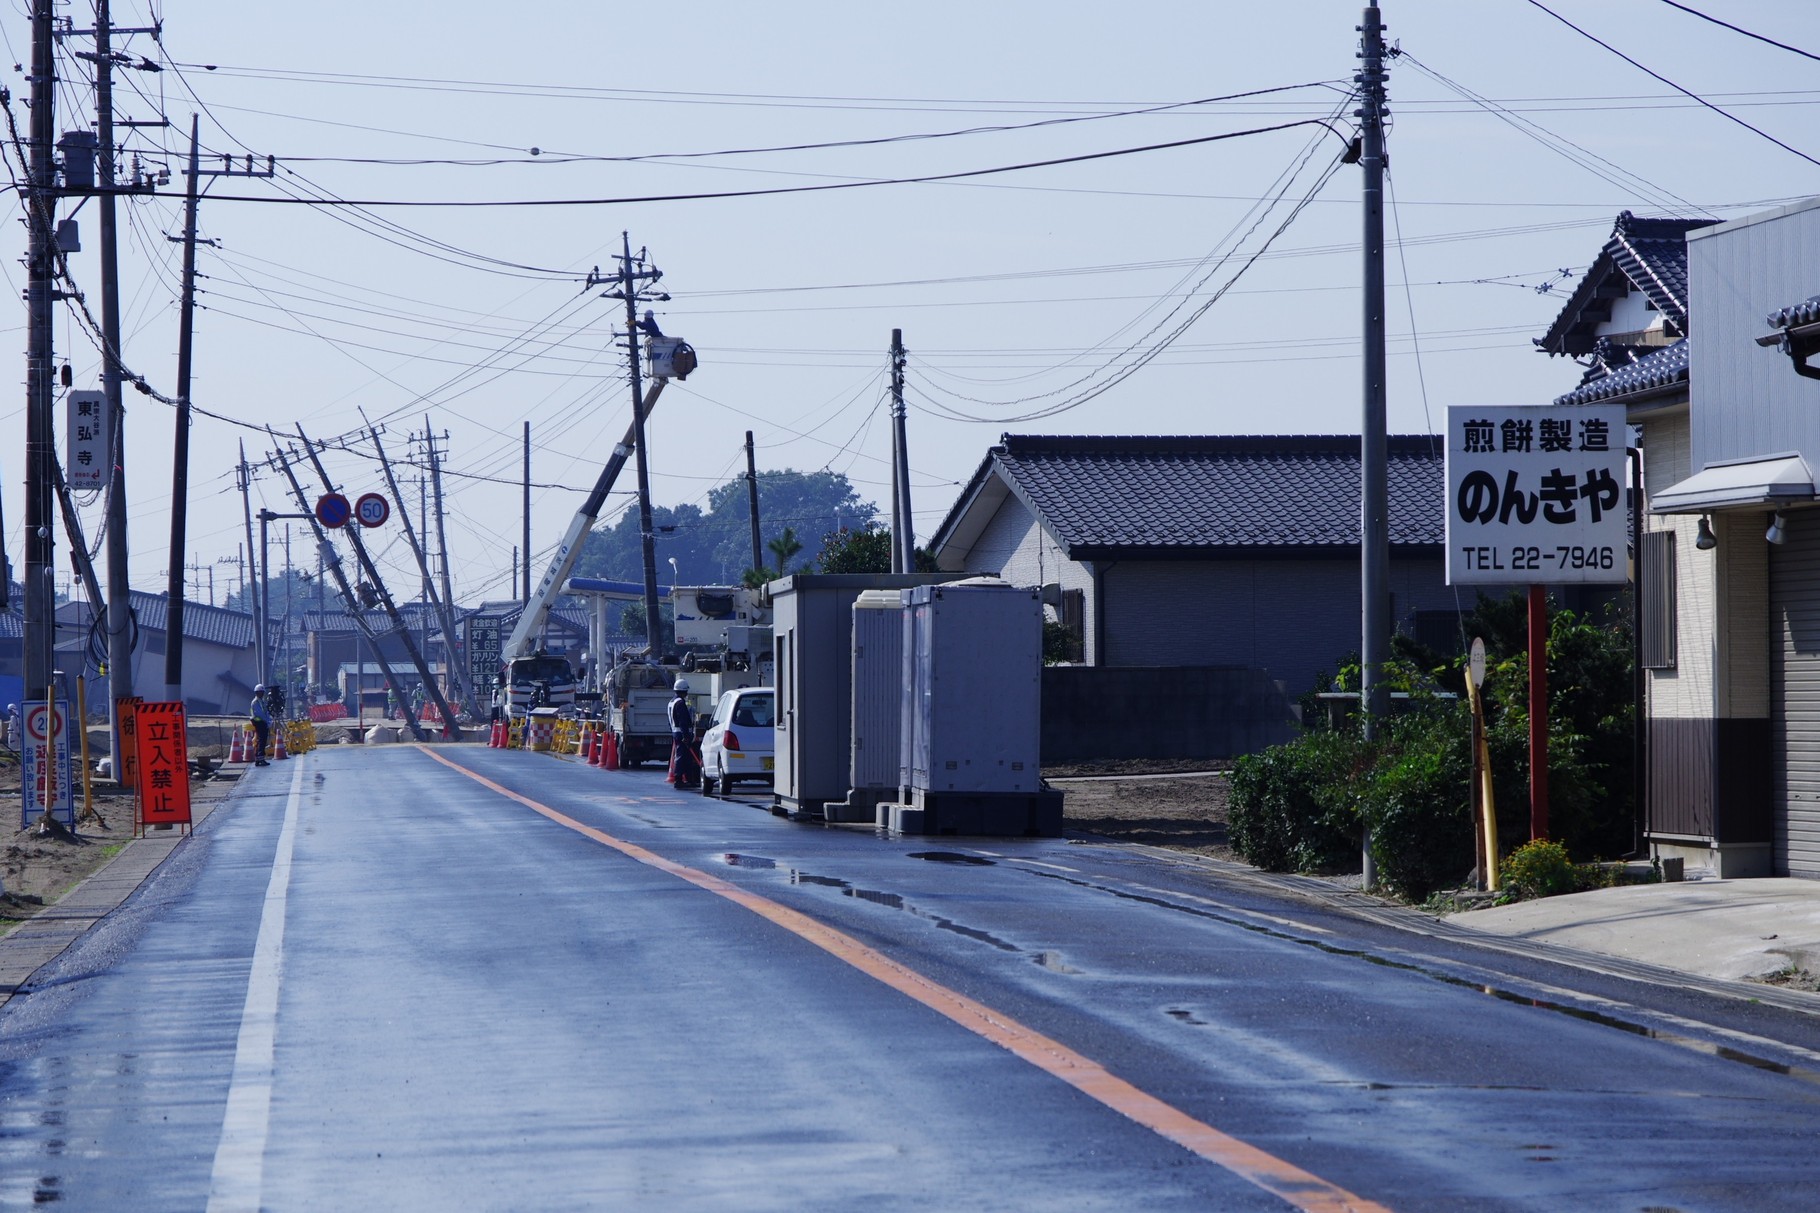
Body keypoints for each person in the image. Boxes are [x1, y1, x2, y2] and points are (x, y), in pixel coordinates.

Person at [668, 678, 700, 789]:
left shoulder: (672, 702)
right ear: (683, 691)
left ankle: (688, 779)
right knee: (682, 757)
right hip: (681, 733)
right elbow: (683, 721)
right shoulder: (680, 703)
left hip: (676, 732)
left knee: (685, 757)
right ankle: (679, 779)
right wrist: (686, 736)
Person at [249, 684, 272, 767]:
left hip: (262, 722)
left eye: (262, 692)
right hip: (259, 723)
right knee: (262, 741)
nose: (262, 694)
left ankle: (258, 759)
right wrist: (267, 721)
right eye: (260, 692)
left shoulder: (261, 701)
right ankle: (260, 758)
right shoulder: (255, 702)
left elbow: (266, 712)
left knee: (261, 740)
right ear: (257, 693)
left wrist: (269, 720)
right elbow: (260, 714)